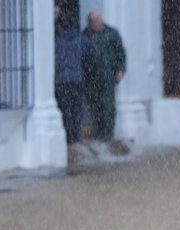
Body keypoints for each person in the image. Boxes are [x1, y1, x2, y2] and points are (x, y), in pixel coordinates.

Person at [82, 10, 127, 152]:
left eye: (97, 20)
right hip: (91, 77)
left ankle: (107, 134)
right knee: (95, 104)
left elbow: (120, 52)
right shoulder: (85, 35)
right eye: (92, 21)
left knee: (107, 104)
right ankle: (100, 132)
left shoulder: (112, 34)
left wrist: (120, 69)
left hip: (107, 76)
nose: (95, 23)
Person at [53, 4, 86, 153]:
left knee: (66, 110)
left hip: (61, 80)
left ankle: (69, 137)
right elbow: (90, 49)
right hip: (76, 79)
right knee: (75, 110)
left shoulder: (56, 39)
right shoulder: (79, 38)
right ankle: (75, 137)